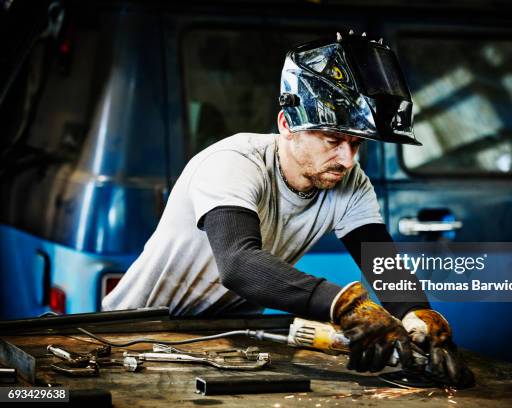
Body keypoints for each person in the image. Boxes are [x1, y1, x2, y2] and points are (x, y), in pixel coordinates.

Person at [102, 31, 472, 386]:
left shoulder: (350, 181)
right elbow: (238, 264)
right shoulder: (234, 162)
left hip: (230, 339)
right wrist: (344, 304)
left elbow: (383, 265)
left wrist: (422, 317)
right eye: (333, 139)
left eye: (357, 144)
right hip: (133, 333)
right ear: (288, 125)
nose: (346, 158)